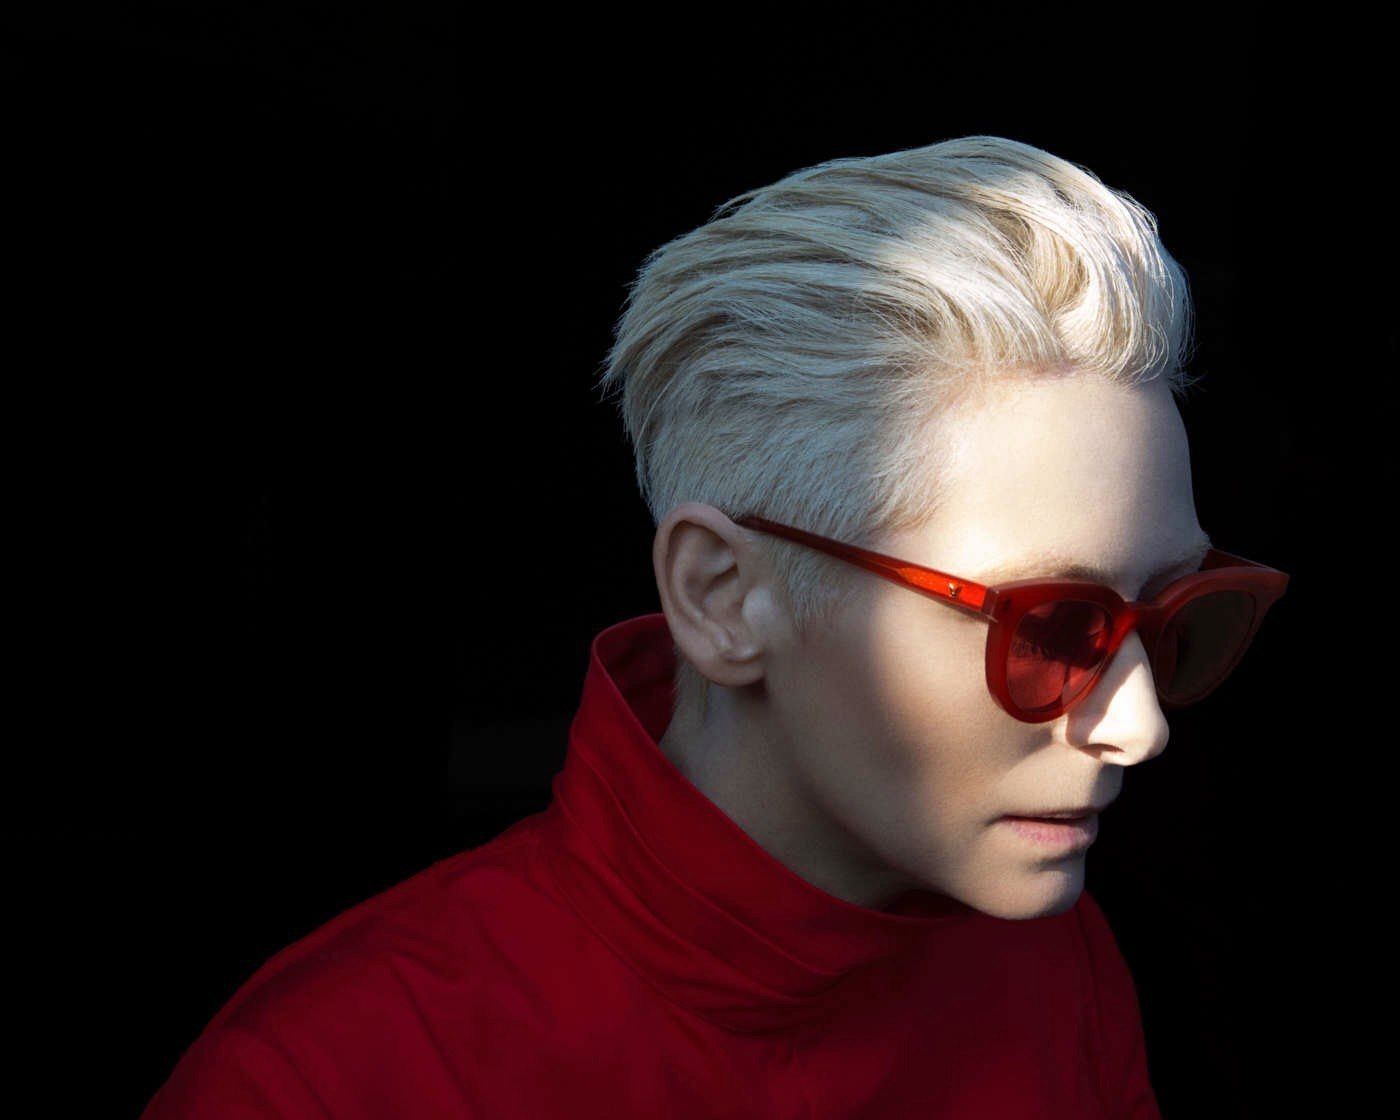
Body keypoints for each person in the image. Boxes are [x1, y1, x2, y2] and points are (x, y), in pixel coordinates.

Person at [142, 134, 1288, 1118]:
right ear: (721, 596)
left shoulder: (1050, 964)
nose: (1139, 725)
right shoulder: (325, 1080)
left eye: (1172, 616)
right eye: (1051, 627)